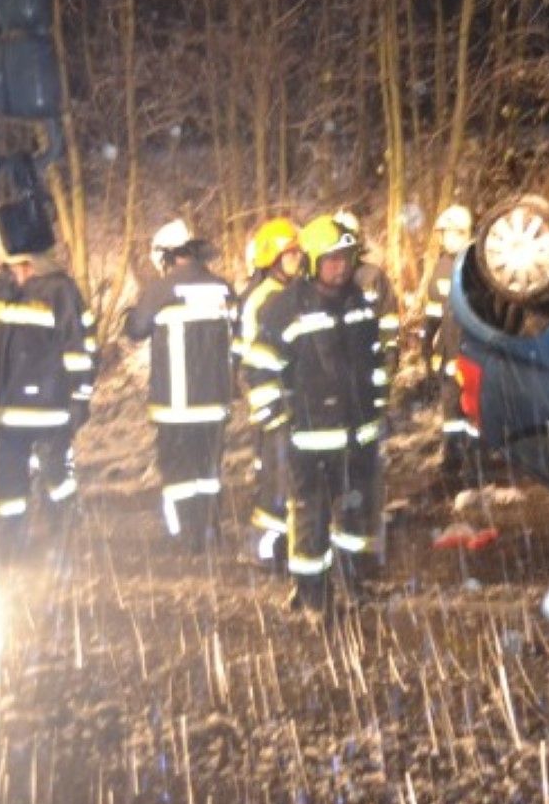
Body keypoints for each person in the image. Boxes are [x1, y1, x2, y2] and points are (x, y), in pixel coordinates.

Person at [245, 215, 388, 613]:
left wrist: (377, 408)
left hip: (357, 435)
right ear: (311, 263)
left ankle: (352, 581)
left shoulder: (359, 303)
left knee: (355, 514)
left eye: (345, 258)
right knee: (310, 517)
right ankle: (311, 593)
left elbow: (374, 361)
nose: (340, 268)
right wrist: (276, 420)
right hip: (308, 439)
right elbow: (260, 366)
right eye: (331, 260)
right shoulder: (284, 309)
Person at [0, 199, 93, 550]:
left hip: (51, 410)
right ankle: (9, 547)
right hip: (7, 413)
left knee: (56, 475)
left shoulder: (60, 290)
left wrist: (80, 397)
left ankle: (64, 537)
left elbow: (80, 348)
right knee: (7, 483)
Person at [124, 220, 236, 549]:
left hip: (176, 404)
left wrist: (129, 314)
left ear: (166, 256)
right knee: (208, 470)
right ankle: (209, 529)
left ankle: (186, 536)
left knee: (178, 472)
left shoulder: (161, 290)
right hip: (215, 401)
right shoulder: (222, 287)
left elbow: (136, 329)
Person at [237, 217, 305, 566]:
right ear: (272, 259)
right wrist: (271, 407)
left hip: (285, 398)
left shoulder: (284, 294)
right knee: (276, 479)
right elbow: (259, 360)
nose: (296, 259)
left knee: (285, 475)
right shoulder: (268, 299)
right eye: (289, 254)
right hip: (274, 401)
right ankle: (261, 547)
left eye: (297, 253)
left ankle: (281, 545)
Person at [422, 204, 479, 485]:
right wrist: (428, 342)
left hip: (469, 350)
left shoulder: (475, 265)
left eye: (449, 233)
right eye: (443, 233)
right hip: (448, 349)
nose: (444, 238)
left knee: (471, 407)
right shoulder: (444, 265)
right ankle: (453, 456)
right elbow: (435, 311)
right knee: (451, 405)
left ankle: (473, 460)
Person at [333, 209, 400, 382]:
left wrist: (390, 353)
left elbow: (388, 318)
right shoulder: (325, 279)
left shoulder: (373, 276)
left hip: (370, 362)